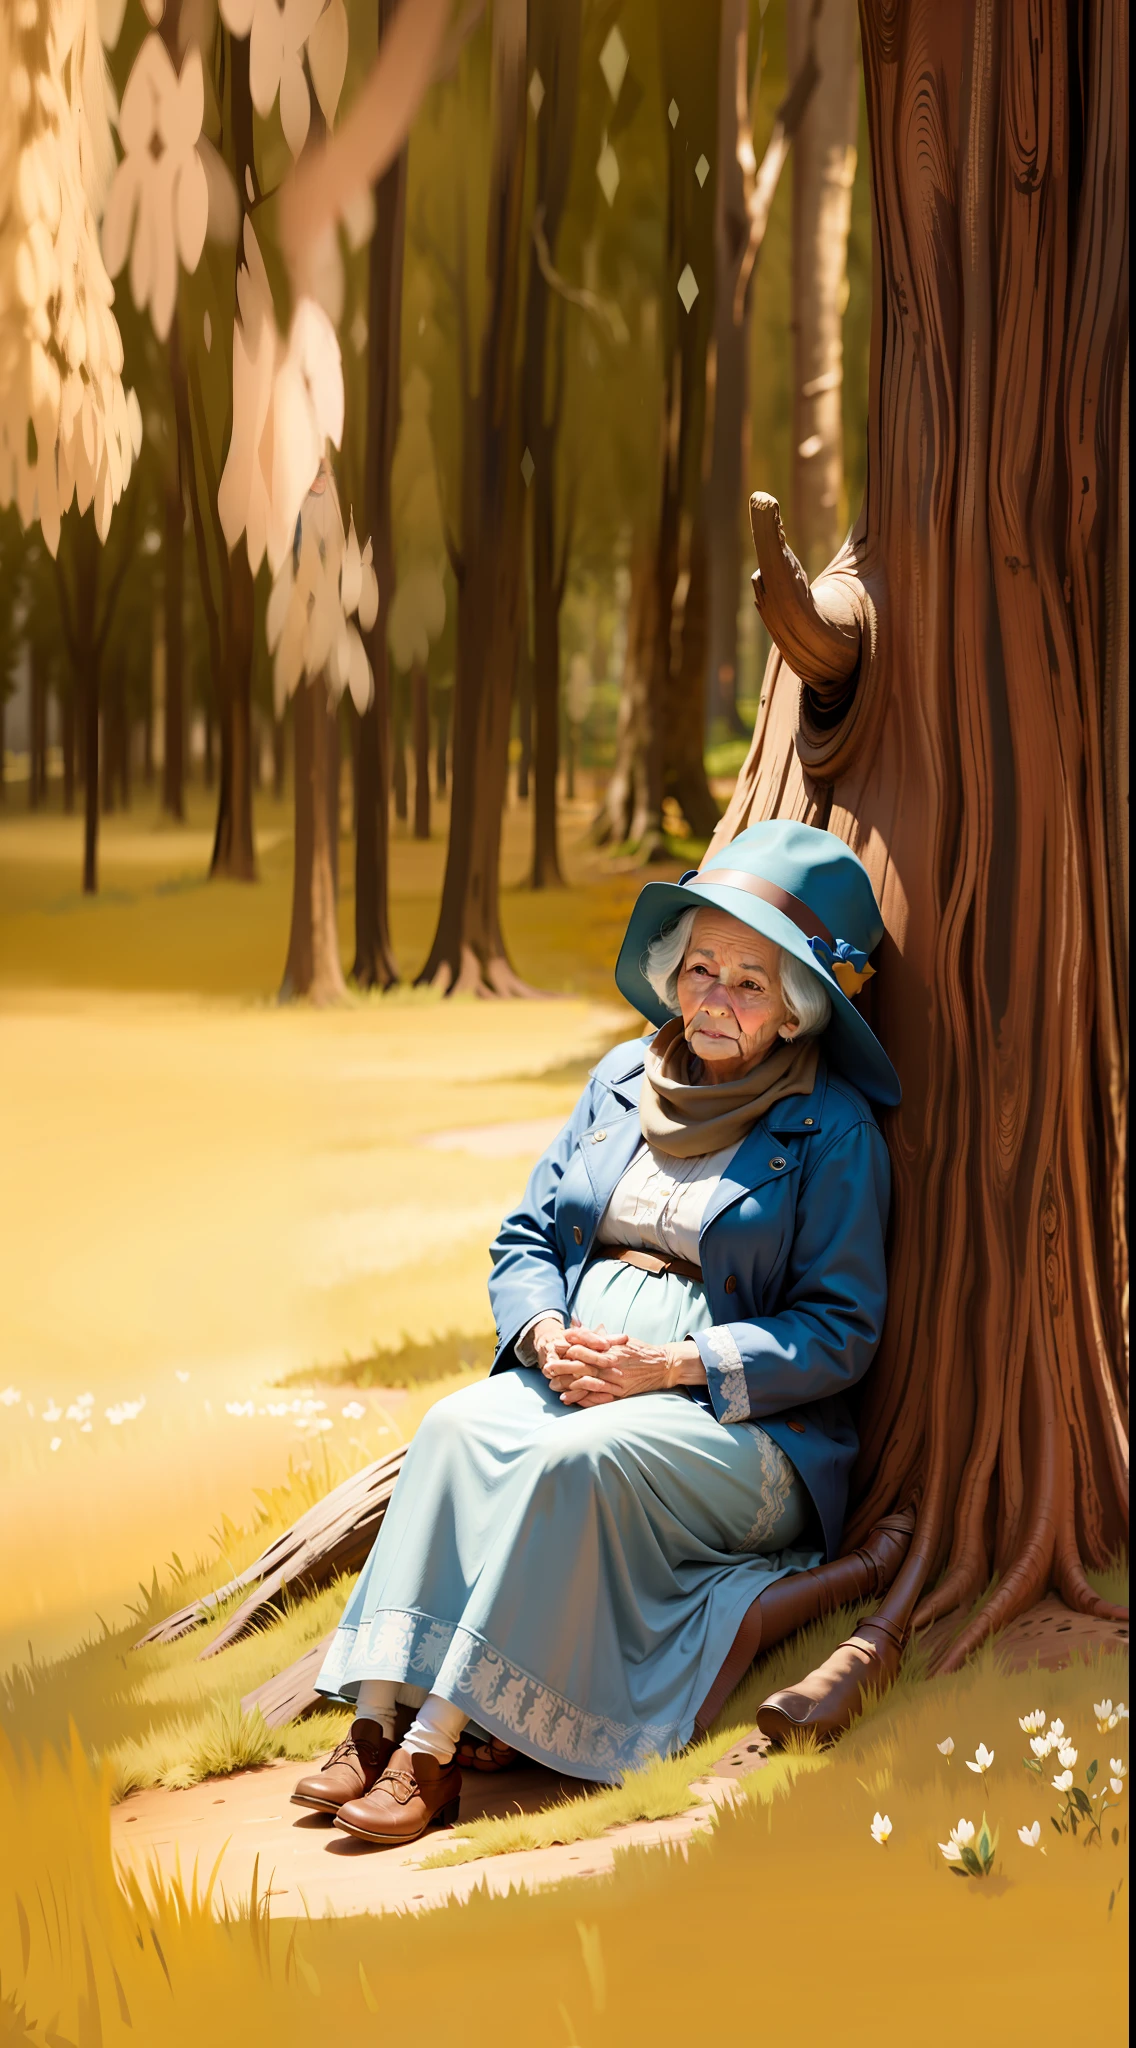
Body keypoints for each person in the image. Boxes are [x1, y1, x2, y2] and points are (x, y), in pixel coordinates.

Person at [294, 821, 902, 1845]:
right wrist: (541, 1334)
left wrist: (670, 1364)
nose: (714, 997)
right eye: (700, 967)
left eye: (750, 983)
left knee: (570, 1464)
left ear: (798, 1006)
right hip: (578, 1369)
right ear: (670, 973)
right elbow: (526, 1233)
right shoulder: (621, 1077)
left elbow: (839, 1331)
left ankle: (434, 1750)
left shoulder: (828, 1128)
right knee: (450, 1427)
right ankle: (370, 1719)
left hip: (740, 1428)